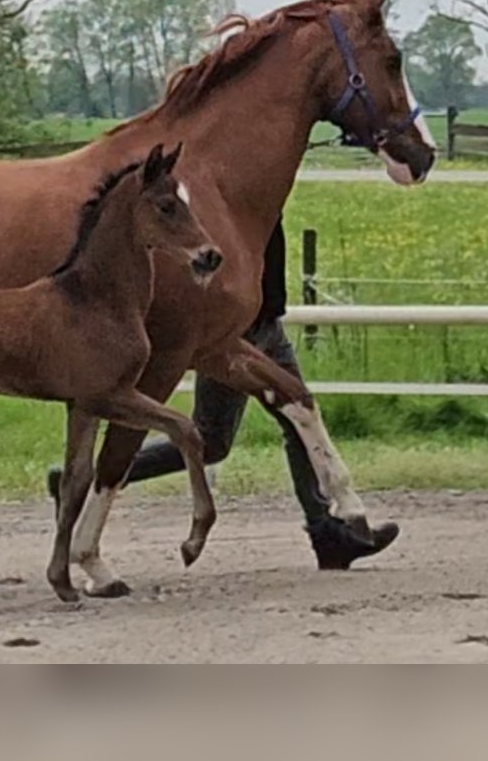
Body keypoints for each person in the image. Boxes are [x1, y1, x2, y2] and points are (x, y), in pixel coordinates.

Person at [47, 216, 399, 570]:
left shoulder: (255, 196)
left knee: (251, 430)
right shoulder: (224, 206)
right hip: (237, 335)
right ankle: (328, 532)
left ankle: (328, 532)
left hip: (263, 325)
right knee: (254, 428)